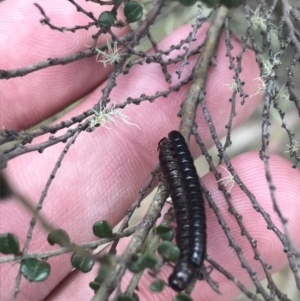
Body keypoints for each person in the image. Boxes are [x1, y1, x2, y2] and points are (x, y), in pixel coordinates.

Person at [0, 0, 299, 300]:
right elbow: (185, 196)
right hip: (187, 242)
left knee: (188, 203)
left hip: (187, 244)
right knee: (187, 202)